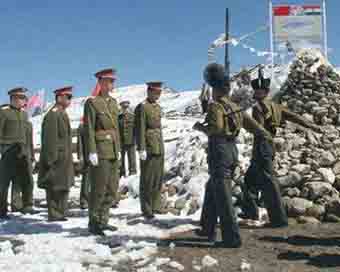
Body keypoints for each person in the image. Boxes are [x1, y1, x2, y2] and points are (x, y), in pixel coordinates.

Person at [193, 63, 273, 248]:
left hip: (219, 150)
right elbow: (254, 126)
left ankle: (231, 238)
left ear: (215, 90)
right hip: (232, 151)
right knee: (212, 188)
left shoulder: (216, 107)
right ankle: (207, 228)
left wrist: (200, 127)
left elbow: (216, 129)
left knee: (222, 194)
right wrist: (266, 136)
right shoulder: (234, 106)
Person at [241, 68, 322, 227]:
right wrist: (311, 125)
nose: (256, 93)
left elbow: (259, 129)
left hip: (262, 147)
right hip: (268, 147)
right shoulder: (277, 107)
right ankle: (250, 213)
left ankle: (278, 220)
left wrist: (245, 124)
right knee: (249, 180)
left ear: (262, 92)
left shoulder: (258, 108)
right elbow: (295, 117)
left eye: (257, 91)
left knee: (269, 183)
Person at [83, 68, 121, 235]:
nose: (112, 84)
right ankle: (94, 221)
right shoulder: (92, 103)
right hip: (100, 150)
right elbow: (89, 128)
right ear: (100, 82)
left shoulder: (113, 103)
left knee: (112, 188)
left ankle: (103, 219)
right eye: (108, 81)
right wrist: (91, 150)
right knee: (99, 188)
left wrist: (118, 148)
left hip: (112, 150)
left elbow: (116, 129)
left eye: (113, 81)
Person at [0, 87, 39, 218]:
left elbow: (27, 137)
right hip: (8, 151)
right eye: (21, 98)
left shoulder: (24, 114)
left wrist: (31, 154)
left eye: (24, 98)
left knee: (24, 180)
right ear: (13, 98)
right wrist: (3, 150)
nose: (24, 100)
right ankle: (2, 210)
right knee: (4, 182)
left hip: (23, 152)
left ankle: (22, 205)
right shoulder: (4, 113)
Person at [38, 86, 74, 221]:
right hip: (56, 158)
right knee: (54, 186)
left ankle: (61, 212)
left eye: (70, 97)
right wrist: (50, 160)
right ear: (59, 98)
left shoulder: (62, 113)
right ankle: (54, 214)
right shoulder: (53, 114)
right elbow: (50, 139)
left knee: (63, 185)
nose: (70, 100)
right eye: (68, 97)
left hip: (63, 157)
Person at [135, 82, 165, 219]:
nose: (158, 95)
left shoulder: (158, 107)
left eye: (159, 93)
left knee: (158, 178)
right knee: (147, 179)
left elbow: (158, 128)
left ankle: (156, 205)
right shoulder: (142, 107)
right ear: (149, 92)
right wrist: (141, 147)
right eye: (156, 92)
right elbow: (140, 128)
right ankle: (147, 208)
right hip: (148, 146)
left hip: (158, 146)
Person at [118, 101, 137, 177]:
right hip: (121, 141)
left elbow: (136, 129)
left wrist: (136, 140)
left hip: (131, 141)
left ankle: (132, 173)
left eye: (126, 107)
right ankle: (122, 174)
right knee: (121, 159)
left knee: (132, 158)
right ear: (121, 108)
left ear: (128, 107)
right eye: (123, 108)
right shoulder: (118, 118)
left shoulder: (133, 117)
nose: (125, 109)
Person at [76, 118, 90, 209]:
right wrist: (80, 155)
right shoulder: (82, 126)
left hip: (101, 154)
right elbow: (80, 142)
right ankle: (84, 200)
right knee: (86, 178)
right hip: (87, 156)